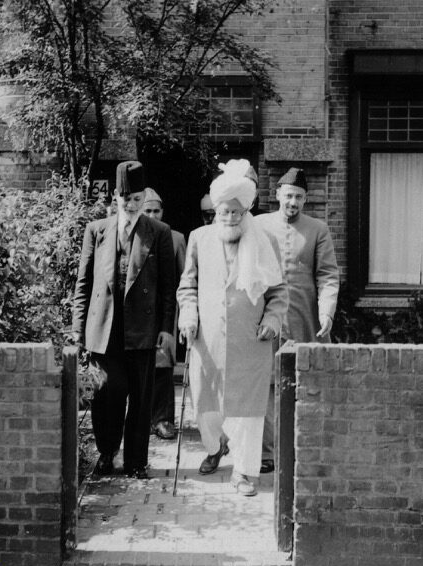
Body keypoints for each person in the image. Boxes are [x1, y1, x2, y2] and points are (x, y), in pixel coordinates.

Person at [177, 159, 288, 496]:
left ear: (245, 212)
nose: (228, 218)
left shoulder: (264, 239)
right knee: (207, 408)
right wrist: (188, 315)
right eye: (222, 212)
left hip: (249, 341)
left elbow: (278, 292)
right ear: (215, 209)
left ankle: (244, 472)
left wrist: (272, 319)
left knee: (247, 413)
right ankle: (215, 447)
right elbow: (188, 287)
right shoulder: (199, 238)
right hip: (207, 341)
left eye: (235, 213)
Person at [72, 161, 176, 478]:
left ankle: (135, 461)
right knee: (106, 396)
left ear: (144, 199)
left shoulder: (159, 233)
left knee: (141, 400)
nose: (130, 205)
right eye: (125, 198)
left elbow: (168, 288)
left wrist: (165, 329)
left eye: (136, 200)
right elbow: (83, 283)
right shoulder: (97, 230)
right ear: (115, 196)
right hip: (104, 328)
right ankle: (106, 454)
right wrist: (77, 330)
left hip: (142, 330)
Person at [256, 167, 339, 473]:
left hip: (305, 318)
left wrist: (326, 310)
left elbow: (328, 275)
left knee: (304, 381)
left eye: (299, 197)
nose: (292, 202)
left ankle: (302, 448)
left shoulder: (318, 229)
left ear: (306, 199)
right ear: (277, 194)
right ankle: (266, 453)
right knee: (266, 383)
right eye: (288, 195)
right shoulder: (258, 225)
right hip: (265, 318)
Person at [142, 187, 186, 440]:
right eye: (147, 210)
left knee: (163, 365)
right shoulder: (134, 234)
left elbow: (184, 277)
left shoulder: (176, 238)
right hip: (138, 312)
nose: (152, 214)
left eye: (156, 210)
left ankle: (164, 419)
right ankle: (143, 418)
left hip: (165, 309)